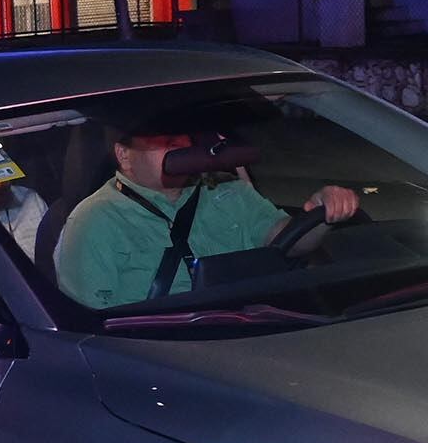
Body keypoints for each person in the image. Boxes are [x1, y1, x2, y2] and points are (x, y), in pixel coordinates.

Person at [53, 110, 360, 309]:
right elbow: (89, 327)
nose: (176, 144)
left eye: (181, 137)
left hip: (260, 334)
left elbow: (287, 241)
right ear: (124, 155)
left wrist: (323, 212)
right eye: (160, 138)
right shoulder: (94, 221)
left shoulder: (229, 193)